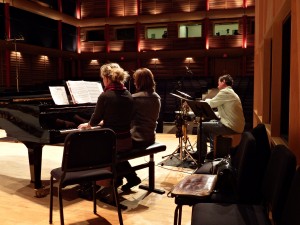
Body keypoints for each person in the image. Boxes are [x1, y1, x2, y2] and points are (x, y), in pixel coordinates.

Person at [77, 62, 134, 200]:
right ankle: (123, 177)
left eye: (103, 78)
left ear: (107, 78)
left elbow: (95, 119)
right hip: (126, 140)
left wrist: (88, 125)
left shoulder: (105, 96)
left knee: (84, 148)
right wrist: (106, 121)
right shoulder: (127, 94)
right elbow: (122, 116)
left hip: (113, 143)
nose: (103, 82)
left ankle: (93, 185)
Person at [120, 68, 161, 191]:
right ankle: (129, 176)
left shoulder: (134, 98)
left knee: (112, 148)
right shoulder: (156, 97)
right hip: (150, 137)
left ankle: (128, 177)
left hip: (137, 138)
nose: (133, 83)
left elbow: (125, 119)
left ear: (139, 82)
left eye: (135, 80)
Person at [196, 74, 245, 164]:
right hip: (235, 125)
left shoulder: (225, 92)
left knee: (201, 126)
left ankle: (201, 155)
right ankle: (212, 151)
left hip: (230, 126)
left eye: (219, 82)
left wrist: (202, 101)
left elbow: (211, 103)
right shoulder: (231, 92)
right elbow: (226, 110)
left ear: (223, 82)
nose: (218, 84)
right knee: (212, 123)